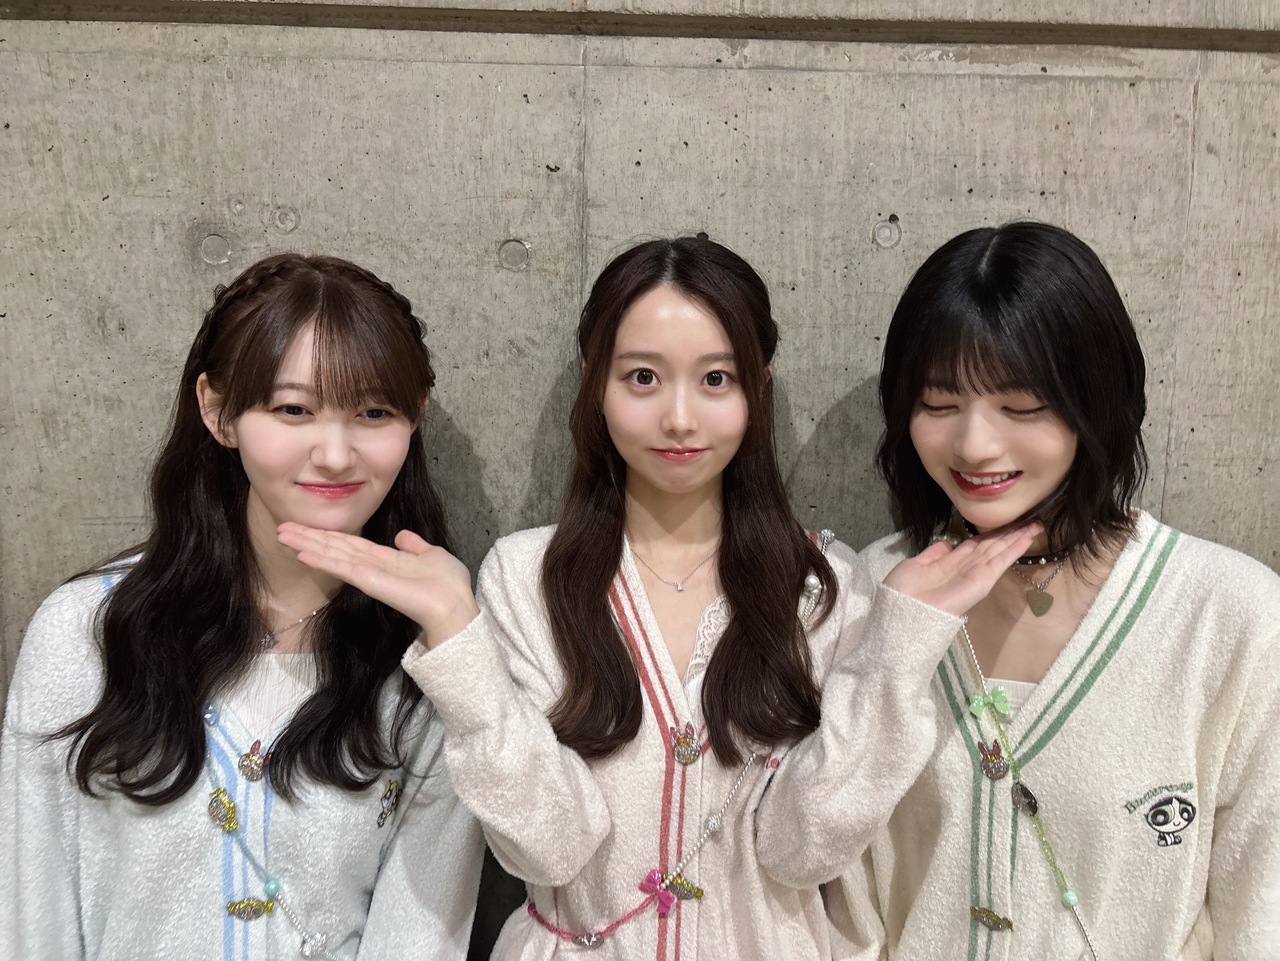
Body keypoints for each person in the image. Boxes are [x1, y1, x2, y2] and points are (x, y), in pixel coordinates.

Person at [277, 236, 1038, 960]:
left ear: (758, 389)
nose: (679, 417)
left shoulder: (819, 584)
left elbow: (803, 850)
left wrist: (899, 652)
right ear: (598, 387)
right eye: (643, 378)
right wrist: (455, 637)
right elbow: (548, 849)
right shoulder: (526, 575)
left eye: (716, 379)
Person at [0, 254, 483, 960]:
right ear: (218, 410)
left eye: (374, 412)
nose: (335, 453)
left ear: (416, 419)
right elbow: (28, 916)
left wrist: (458, 650)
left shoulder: (434, 653)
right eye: (293, 409)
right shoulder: (88, 631)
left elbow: (420, 938)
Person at [829, 222, 1280, 960]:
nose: (974, 445)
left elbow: (1262, 908)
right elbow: (840, 898)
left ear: (1096, 402)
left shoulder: (1230, 616)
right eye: (938, 403)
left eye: (1022, 406)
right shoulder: (869, 592)